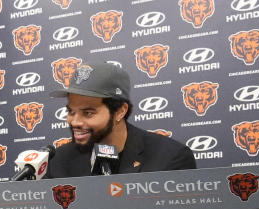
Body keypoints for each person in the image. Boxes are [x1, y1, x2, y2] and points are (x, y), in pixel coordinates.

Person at [45, 60, 196, 179]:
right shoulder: (59, 161)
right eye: (71, 111)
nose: (75, 122)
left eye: (88, 113)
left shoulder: (170, 157)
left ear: (119, 112)